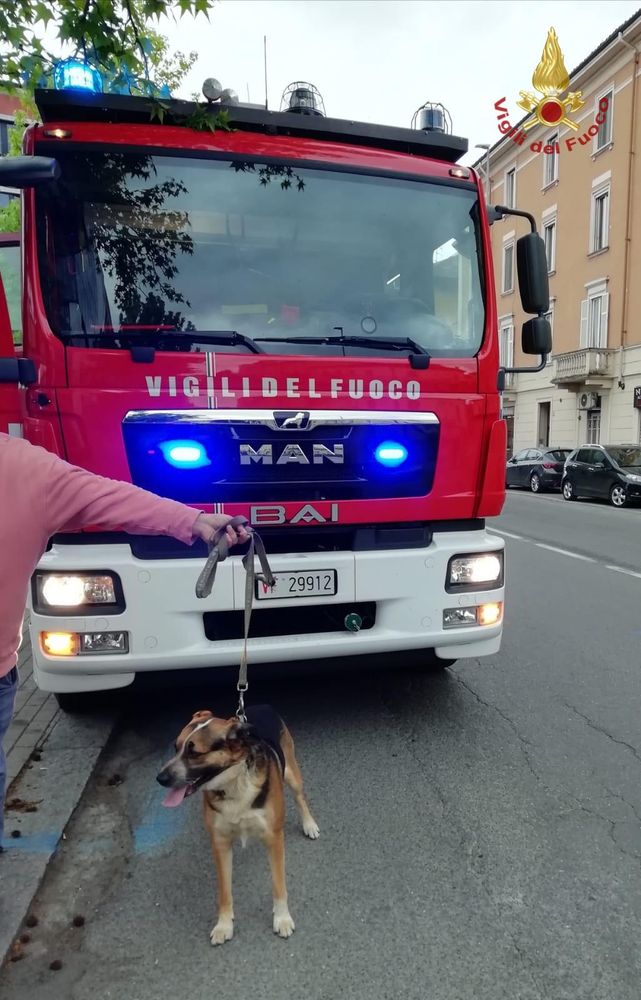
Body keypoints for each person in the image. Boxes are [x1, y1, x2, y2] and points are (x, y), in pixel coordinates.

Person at [0, 432, 248, 849]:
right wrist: (192, 520)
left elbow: (108, 496)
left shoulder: (23, 467)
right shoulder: (21, 465)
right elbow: (106, 496)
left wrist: (191, 520)